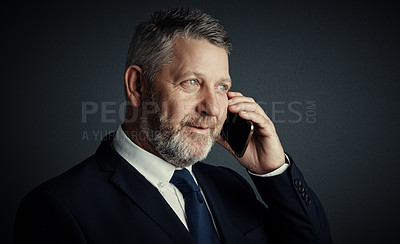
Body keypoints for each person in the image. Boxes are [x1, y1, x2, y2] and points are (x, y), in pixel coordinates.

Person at [14, 8, 332, 244]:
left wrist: (272, 171)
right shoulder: (58, 208)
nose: (211, 108)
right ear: (138, 85)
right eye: (191, 82)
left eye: (222, 87)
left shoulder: (229, 185)